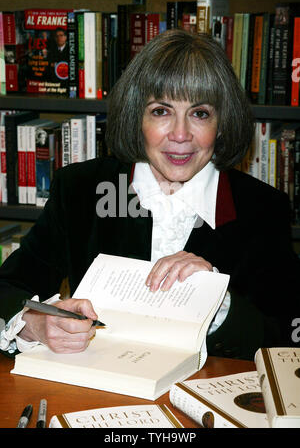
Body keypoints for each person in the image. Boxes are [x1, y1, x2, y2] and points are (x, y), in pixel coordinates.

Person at [0, 29, 299, 360]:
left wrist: (218, 301)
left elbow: (287, 336)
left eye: (200, 113)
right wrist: (32, 322)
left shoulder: (262, 208)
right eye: (161, 111)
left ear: (222, 122)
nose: (181, 134)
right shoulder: (80, 190)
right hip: (98, 398)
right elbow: (8, 289)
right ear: (136, 117)